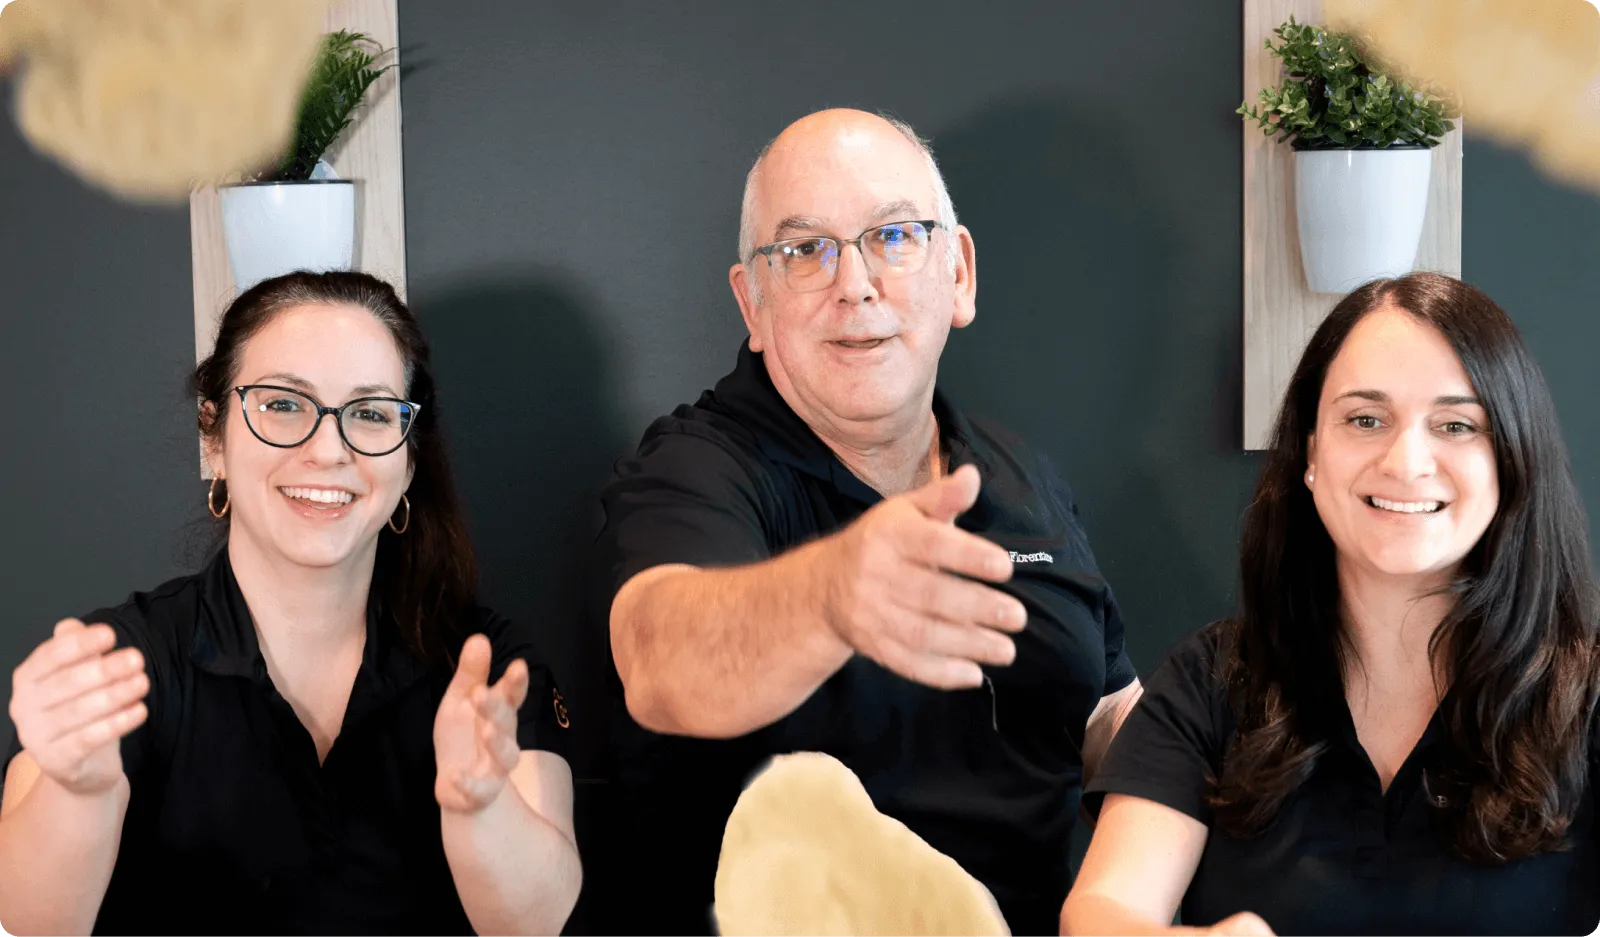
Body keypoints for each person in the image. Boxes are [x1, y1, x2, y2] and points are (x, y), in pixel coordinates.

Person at [590, 108, 1142, 937]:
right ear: (754, 301)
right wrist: (832, 595)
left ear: (958, 274)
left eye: (894, 235)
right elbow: (660, 659)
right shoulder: (698, 468)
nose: (855, 284)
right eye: (805, 251)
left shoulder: (1023, 472)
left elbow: (1106, 715)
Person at [0, 272, 582, 936]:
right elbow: (30, 920)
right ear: (213, 437)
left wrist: (480, 810)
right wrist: (80, 792)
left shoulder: (489, 669)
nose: (328, 450)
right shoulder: (122, 663)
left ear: (410, 459)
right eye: (282, 404)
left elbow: (536, 923)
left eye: (368, 412)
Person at [1062, 273, 1600, 937]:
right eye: (1365, 419)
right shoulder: (1212, 680)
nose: (1406, 461)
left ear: (1510, 458)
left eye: (1455, 424)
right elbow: (1101, 911)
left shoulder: (1587, 695)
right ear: (1313, 453)